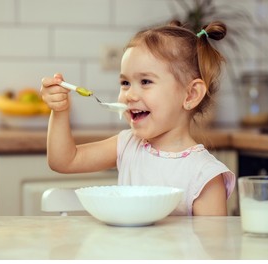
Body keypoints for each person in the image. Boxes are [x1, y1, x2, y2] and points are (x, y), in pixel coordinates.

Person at [40, 20, 235, 216]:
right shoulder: (128, 145)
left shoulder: (204, 176)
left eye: (145, 81)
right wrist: (59, 112)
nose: (130, 95)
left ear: (191, 95)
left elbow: (212, 245)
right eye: (125, 82)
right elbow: (63, 161)